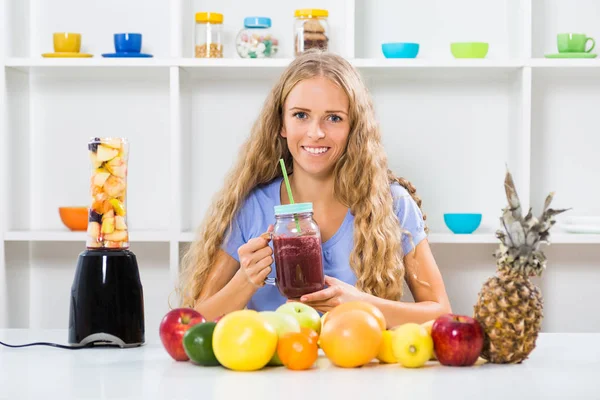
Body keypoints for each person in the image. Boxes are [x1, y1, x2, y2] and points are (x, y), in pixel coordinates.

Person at [179, 49, 452, 328]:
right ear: (281, 124)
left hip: (356, 368)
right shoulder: (252, 207)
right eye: (300, 115)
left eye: (333, 118)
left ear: (353, 127)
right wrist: (244, 282)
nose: (316, 132)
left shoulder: (391, 204)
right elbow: (191, 324)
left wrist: (362, 304)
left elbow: (441, 313)